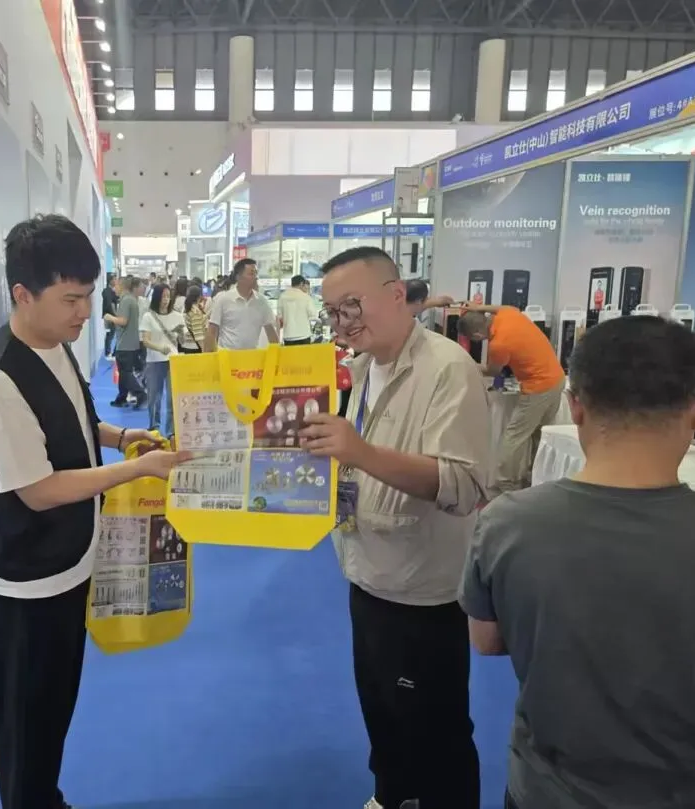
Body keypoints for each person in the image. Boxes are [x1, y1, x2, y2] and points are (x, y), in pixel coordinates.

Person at [0, 214, 190, 809]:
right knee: (25, 719)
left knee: (53, 706)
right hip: (27, 580)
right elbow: (38, 489)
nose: (85, 312)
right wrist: (137, 469)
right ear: (22, 293)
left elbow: (76, 422)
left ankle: (45, 796)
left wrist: (121, 437)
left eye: (88, 295)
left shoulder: (55, 347)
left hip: (68, 563)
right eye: (71, 299)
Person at [459, 315, 695, 809]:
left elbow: (486, 640)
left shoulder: (508, 522)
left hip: (548, 790)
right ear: (694, 410)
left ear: (575, 407)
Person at [298, 245, 489, 809]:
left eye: (351, 306)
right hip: (366, 570)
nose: (342, 323)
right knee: (382, 712)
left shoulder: (447, 368)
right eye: (332, 311)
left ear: (397, 294)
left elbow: (463, 485)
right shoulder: (361, 370)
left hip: (423, 589)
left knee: (437, 730)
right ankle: (390, 794)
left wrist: (360, 452)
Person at [457, 304, 565, 496]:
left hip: (538, 388)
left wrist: (467, 363)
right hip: (557, 379)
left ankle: (505, 483)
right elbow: (500, 307)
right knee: (540, 434)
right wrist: (477, 306)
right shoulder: (509, 314)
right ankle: (537, 478)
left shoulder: (499, 344)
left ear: (477, 334)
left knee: (515, 436)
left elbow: (492, 371)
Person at [204, 258, 279, 351]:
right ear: (238, 277)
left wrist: (277, 353)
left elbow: (271, 332)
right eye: (251, 273)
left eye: (256, 273)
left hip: (252, 356)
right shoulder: (224, 299)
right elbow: (212, 332)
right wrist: (209, 355)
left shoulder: (261, 301)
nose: (256, 277)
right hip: (227, 356)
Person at [139, 283, 182, 436]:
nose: (166, 300)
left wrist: (181, 334)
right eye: (163, 296)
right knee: (154, 397)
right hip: (154, 360)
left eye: (168, 296)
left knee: (172, 397)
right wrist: (159, 348)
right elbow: (145, 340)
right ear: (157, 297)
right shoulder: (148, 316)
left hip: (174, 360)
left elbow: (183, 339)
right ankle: (154, 428)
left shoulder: (177, 316)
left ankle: (171, 432)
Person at [105, 276, 147, 408]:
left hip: (125, 343)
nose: (114, 288)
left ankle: (140, 394)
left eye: (116, 285)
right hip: (130, 342)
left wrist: (110, 317)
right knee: (124, 372)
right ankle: (121, 398)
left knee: (125, 373)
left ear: (122, 286)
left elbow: (123, 321)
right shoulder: (131, 300)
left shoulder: (126, 301)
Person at [276, 275, 319, 346]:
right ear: (301, 283)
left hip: (288, 336)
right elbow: (313, 314)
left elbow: (279, 316)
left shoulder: (282, 297)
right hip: (304, 335)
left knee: (290, 353)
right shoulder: (306, 297)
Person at [180, 284, 207, 355]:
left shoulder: (187, 309)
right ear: (199, 297)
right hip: (195, 348)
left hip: (188, 345)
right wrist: (204, 351)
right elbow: (198, 335)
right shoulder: (195, 312)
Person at [101, 273, 120, 358]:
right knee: (110, 334)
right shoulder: (106, 291)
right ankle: (108, 352)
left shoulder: (112, 291)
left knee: (112, 334)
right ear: (110, 280)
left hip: (112, 316)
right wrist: (115, 316)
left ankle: (111, 352)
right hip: (109, 316)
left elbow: (116, 299)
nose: (116, 281)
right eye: (114, 279)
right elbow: (109, 305)